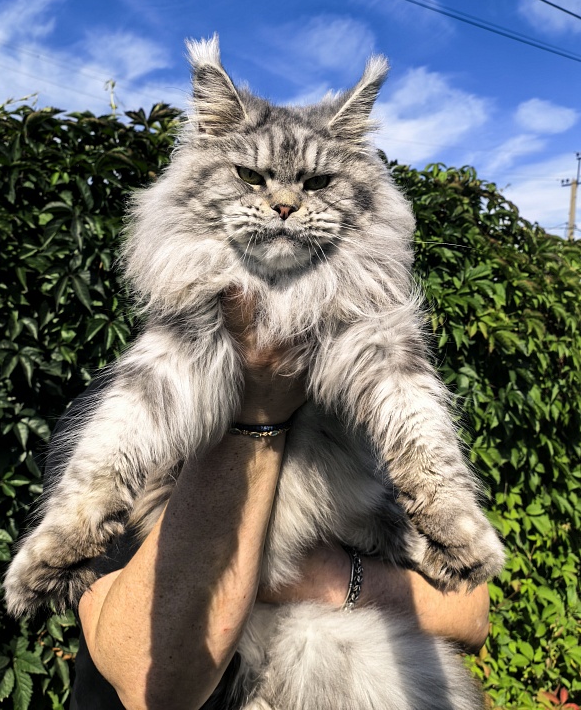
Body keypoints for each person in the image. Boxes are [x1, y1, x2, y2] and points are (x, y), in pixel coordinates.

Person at [71, 294, 490, 709]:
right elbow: (147, 681)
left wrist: (331, 579)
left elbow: (470, 612)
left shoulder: (383, 404)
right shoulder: (121, 420)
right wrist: (259, 413)